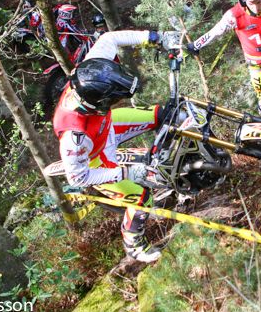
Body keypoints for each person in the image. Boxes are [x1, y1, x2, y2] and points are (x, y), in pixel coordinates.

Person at [52, 29, 180, 262]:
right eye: (111, 100)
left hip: (109, 125)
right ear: (97, 103)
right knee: (142, 197)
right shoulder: (74, 136)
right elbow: (78, 178)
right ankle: (134, 244)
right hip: (96, 159)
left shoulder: (91, 70)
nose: (115, 101)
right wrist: (126, 173)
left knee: (166, 116)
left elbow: (109, 39)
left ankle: (177, 168)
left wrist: (156, 37)